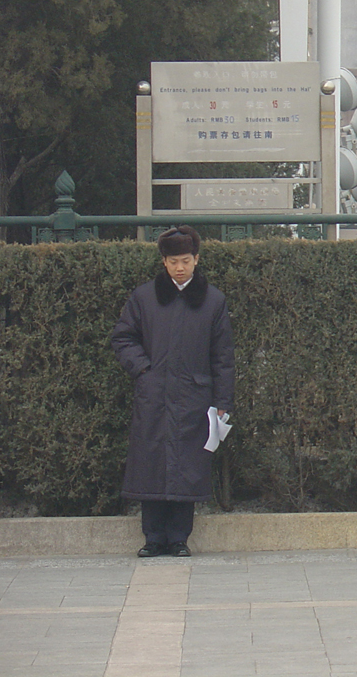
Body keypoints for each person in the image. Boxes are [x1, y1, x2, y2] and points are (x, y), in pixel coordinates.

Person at [111, 225, 234, 557]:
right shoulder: (143, 297)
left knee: (187, 467)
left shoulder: (213, 301)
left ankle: (179, 538)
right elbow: (123, 338)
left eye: (185, 260)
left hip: (195, 397)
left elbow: (222, 356)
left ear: (197, 260)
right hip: (153, 395)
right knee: (150, 463)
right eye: (173, 261)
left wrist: (223, 401)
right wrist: (144, 370)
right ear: (164, 262)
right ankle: (152, 538)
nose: (179, 267)